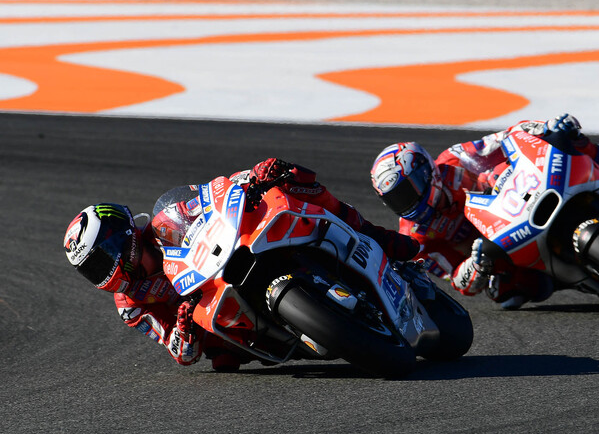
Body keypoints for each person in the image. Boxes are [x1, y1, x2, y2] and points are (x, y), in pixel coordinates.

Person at [63, 159, 419, 372]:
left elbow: (211, 194)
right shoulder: (130, 305)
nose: (104, 273)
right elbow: (178, 352)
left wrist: (254, 178)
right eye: (92, 270)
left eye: (101, 259)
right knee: (223, 361)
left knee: (289, 180)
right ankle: (308, 329)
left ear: (121, 237)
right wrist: (184, 331)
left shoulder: (165, 222)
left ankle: (373, 234)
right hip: (217, 312)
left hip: (230, 254)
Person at [370, 114, 599, 309]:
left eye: (408, 192)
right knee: (507, 295)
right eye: (396, 200)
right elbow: (457, 280)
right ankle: (571, 276)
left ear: (426, 172)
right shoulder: (416, 237)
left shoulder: (454, 158)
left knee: (567, 139)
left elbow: (506, 138)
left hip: (524, 198)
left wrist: (544, 128)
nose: (406, 205)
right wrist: (476, 265)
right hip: (501, 244)